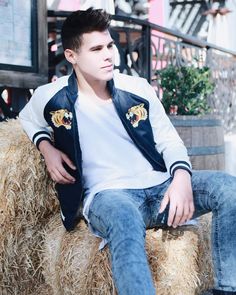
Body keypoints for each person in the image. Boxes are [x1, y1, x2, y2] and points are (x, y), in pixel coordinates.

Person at [19, 8, 236, 295]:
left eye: (109, 45)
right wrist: (46, 147)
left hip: (159, 189)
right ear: (72, 56)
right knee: (125, 220)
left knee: (228, 187)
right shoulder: (52, 96)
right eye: (96, 49)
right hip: (108, 196)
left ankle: (227, 287)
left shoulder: (137, 88)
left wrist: (181, 178)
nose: (108, 54)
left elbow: (168, 139)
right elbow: (25, 118)